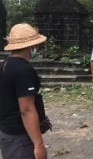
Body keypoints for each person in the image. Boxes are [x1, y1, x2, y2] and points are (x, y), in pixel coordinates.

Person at [0, 23, 48, 159]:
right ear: (31, 46)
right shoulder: (24, 71)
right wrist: (39, 145)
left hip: (6, 132)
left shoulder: (5, 65)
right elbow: (26, 109)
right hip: (20, 137)